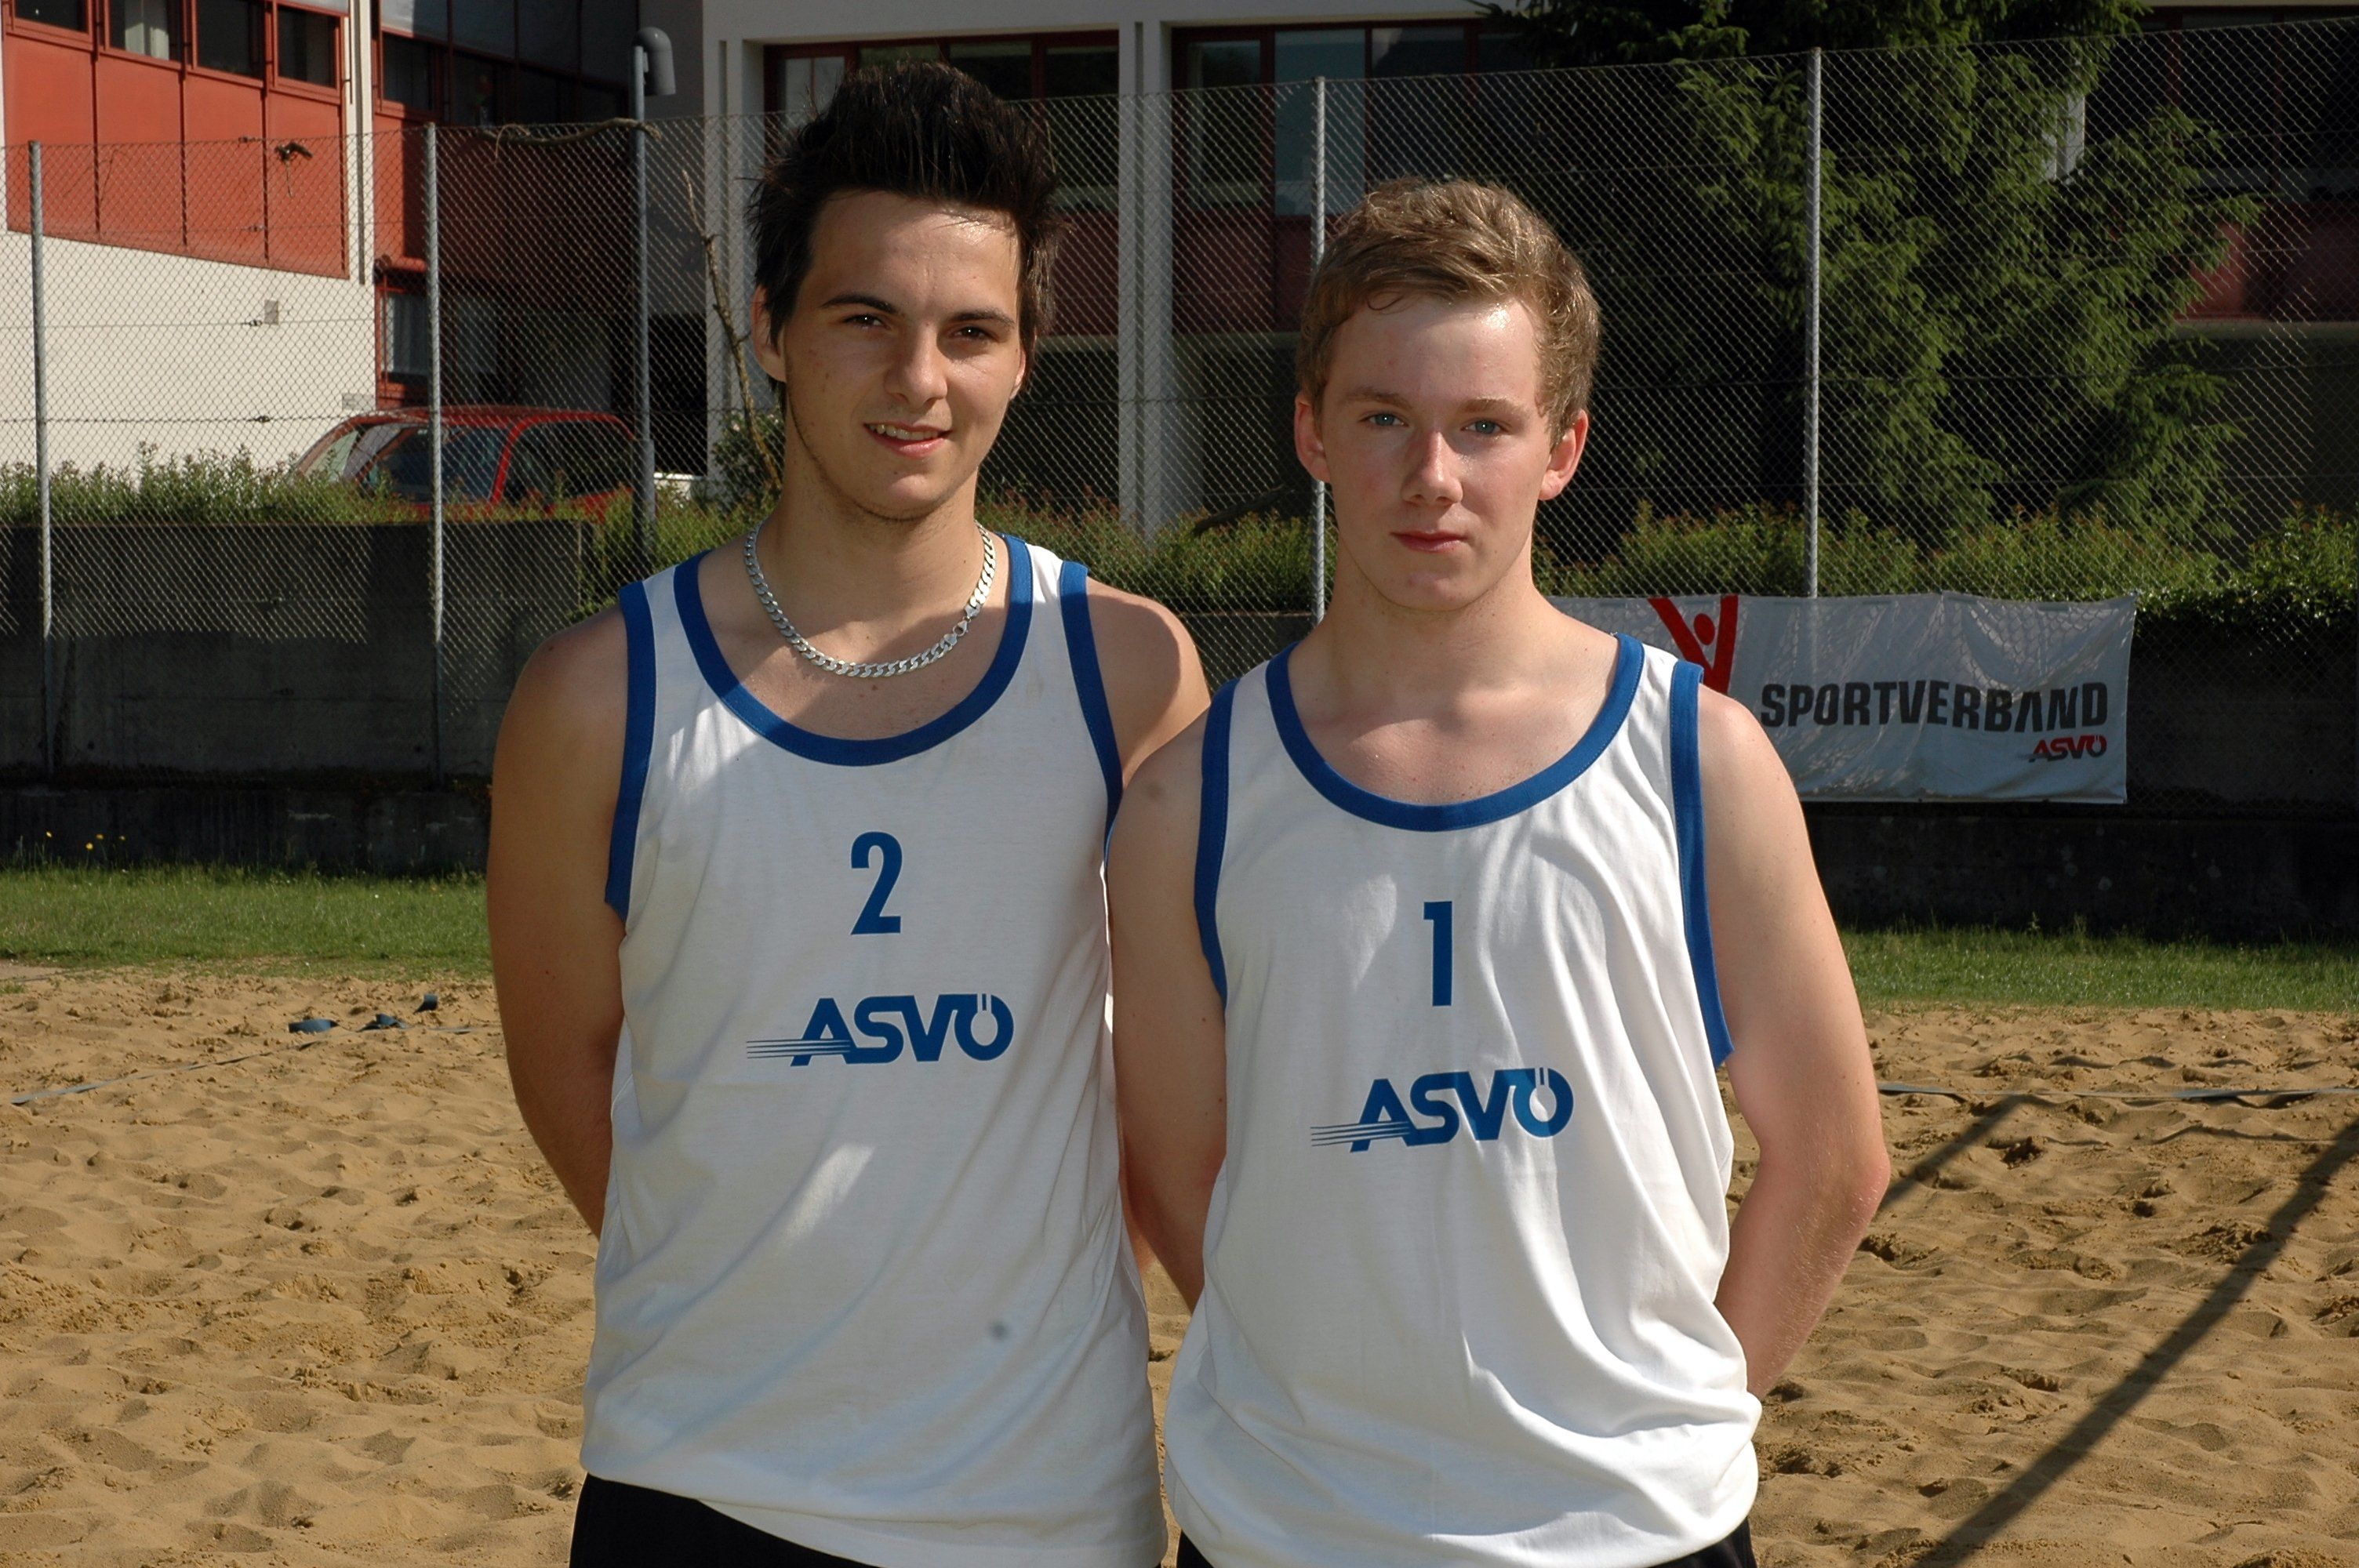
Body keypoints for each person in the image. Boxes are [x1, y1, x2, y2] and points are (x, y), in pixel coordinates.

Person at [1109, 179, 1890, 1568]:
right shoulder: (1188, 800)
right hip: (1293, 1534)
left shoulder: (1699, 760)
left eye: (1484, 424)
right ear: (1310, 430)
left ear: (1562, 447)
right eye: (1383, 419)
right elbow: (1180, 1181)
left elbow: (1833, 1160)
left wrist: (1671, 1428)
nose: (1434, 475)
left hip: (1636, 1532)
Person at [489, 63, 1203, 1568]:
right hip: (703, 1485)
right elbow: (570, 1075)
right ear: (768, 329)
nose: (918, 378)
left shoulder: (1131, 673)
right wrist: (757, 1290)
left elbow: (1178, 1085)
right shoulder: (596, 699)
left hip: (1041, 1502)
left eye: (972, 331)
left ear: (1025, 357)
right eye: (865, 317)